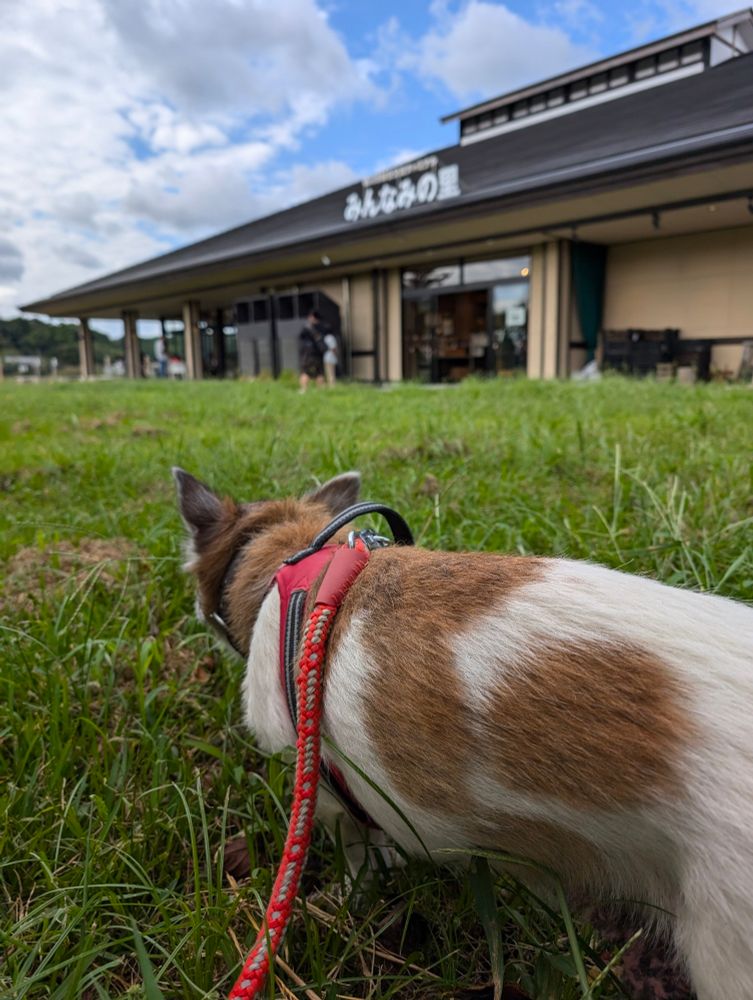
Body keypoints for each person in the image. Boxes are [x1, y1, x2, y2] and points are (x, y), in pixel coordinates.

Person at [298, 309, 325, 392]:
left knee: (305, 371)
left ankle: (304, 389)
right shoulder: (322, 327)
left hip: (308, 354)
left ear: (312, 317)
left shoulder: (307, 328)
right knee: (319, 372)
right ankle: (321, 390)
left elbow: (301, 337)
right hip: (319, 354)